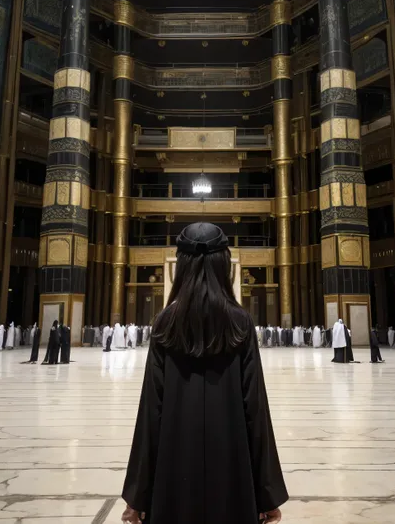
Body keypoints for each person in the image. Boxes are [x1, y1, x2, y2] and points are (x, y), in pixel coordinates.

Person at [122, 222, 288, 524]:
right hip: (233, 477)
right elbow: (255, 411)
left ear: (181, 266)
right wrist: (266, 494)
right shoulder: (240, 322)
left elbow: (151, 413)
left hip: (172, 479)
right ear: (224, 265)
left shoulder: (164, 322)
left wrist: (138, 496)